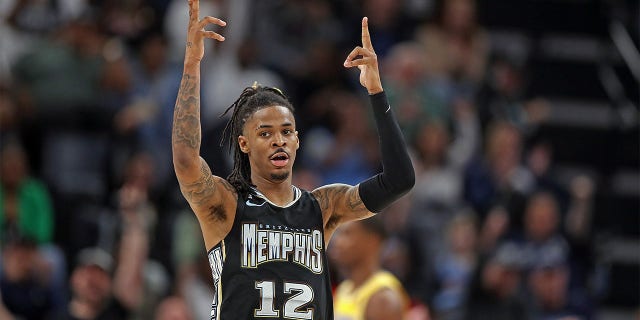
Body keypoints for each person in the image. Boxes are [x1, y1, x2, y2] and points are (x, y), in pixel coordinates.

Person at [171, 1, 414, 318]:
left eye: (287, 131)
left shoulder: (322, 207)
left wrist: (376, 92)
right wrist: (191, 67)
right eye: (265, 133)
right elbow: (187, 161)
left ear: (297, 141)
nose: (278, 140)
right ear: (243, 143)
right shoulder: (225, 203)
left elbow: (399, 180)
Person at [331, 216, 408, 320]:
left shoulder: (383, 299)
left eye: (347, 234)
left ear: (373, 240)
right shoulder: (344, 289)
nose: (337, 242)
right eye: (338, 233)